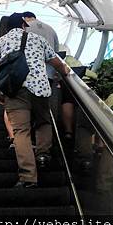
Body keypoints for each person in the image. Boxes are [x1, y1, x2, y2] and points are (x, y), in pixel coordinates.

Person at [0, 13, 70, 188]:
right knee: (43, 122)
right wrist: (65, 72)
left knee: (21, 132)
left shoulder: (0, 42)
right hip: (40, 88)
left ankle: (28, 177)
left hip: (14, 90)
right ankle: (43, 155)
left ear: (8, 27)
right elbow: (55, 61)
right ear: (24, 25)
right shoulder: (37, 39)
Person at [22, 12, 76, 142]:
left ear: (24, 19)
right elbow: (55, 55)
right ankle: (42, 143)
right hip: (48, 76)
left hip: (29, 76)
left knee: (26, 107)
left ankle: (28, 138)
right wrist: (59, 72)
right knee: (43, 109)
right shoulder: (51, 29)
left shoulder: (24, 28)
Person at [0, 16, 14, 146]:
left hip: (2, 78)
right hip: (15, 77)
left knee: (8, 106)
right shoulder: (14, 39)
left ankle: (11, 135)